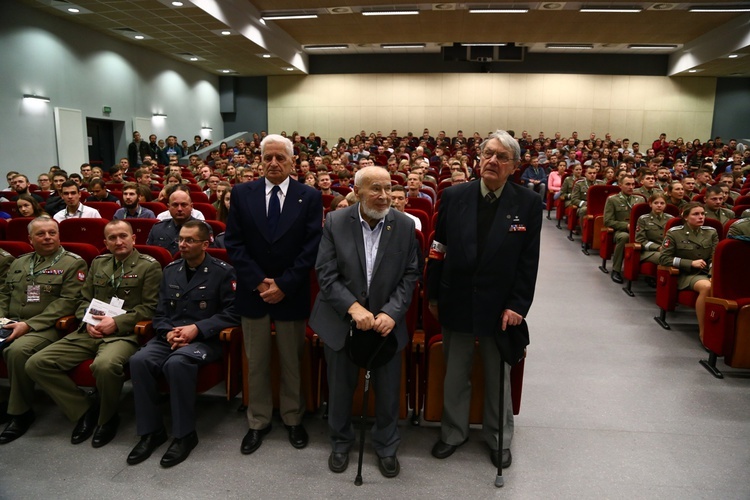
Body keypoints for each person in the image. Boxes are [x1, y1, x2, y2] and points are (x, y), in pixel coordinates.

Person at [427, 130, 542, 470]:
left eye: (502, 157)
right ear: (478, 158)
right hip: (456, 297)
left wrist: (518, 305)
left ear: (514, 166)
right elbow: (439, 248)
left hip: (501, 305)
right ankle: (452, 432)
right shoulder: (453, 195)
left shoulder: (528, 203)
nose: (493, 161)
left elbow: (528, 261)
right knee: (456, 371)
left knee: (498, 374)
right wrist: (433, 293)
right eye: (488, 154)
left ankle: (499, 437)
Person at [309, 166, 420, 477]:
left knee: (387, 391)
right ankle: (341, 441)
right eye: (375, 189)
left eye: (387, 188)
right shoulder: (336, 221)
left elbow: (411, 274)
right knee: (341, 387)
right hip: (341, 320)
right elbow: (327, 274)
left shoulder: (403, 224)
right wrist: (353, 308)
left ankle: (386, 445)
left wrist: (392, 313)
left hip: (387, 322)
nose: (384, 195)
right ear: (357, 192)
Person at [225, 134, 323, 456]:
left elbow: (311, 247)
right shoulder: (242, 193)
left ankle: (293, 418)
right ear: (260, 160)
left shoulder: (308, 196)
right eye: (268, 157)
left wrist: (284, 284)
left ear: (292, 161)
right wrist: (259, 282)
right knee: (256, 362)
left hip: (291, 292)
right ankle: (258, 421)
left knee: (292, 360)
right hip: (254, 293)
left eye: (281, 157)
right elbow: (234, 244)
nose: (274, 163)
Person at [26, 220, 162, 447]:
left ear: (133, 238)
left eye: (123, 236)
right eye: (112, 238)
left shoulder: (149, 266)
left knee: (105, 366)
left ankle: (107, 418)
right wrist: (88, 321)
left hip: (123, 334)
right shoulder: (99, 264)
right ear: (105, 242)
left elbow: (150, 308)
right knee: (37, 363)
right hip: (89, 330)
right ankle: (84, 410)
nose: (118, 242)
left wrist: (116, 323)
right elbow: (83, 299)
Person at [126, 220, 239, 467]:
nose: (182, 245)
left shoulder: (223, 271)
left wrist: (196, 329)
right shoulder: (171, 270)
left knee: (178, 363)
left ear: (205, 244)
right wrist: (168, 332)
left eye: (189, 240)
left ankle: (184, 434)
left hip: (205, 339)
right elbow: (160, 312)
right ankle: (151, 432)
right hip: (171, 335)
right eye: (180, 240)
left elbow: (233, 313)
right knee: (139, 360)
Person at [0, 217, 87, 443]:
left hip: (47, 326)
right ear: (30, 239)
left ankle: (20, 413)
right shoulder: (20, 262)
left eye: (52, 233)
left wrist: (29, 325)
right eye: (41, 234)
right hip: (12, 321)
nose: (47, 237)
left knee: (16, 351)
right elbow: (5, 294)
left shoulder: (72, 263)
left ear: (59, 236)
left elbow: (68, 302)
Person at [660, 203, 719, 340]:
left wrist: (712, 275)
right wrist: (690, 263)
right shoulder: (675, 233)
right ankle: (704, 332)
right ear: (685, 217)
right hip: (686, 274)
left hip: (706, 273)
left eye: (702, 214)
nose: (701, 217)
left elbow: (715, 257)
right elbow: (664, 259)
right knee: (707, 287)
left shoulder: (711, 232)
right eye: (695, 214)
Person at [603, 174, 645, 284]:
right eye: (628, 184)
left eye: (633, 184)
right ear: (620, 185)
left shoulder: (640, 199)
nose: (631, 187)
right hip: (620, 231)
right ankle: (616, 270)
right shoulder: (613, 200)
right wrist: (625, 226)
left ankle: (647, 274)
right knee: (624, 237)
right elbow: (607, 221)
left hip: (638, 230)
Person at [147, 188, 199, 255]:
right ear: (168, 207)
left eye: (184, 205)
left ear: (191, 206)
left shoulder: (202, 228)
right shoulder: (158, 228)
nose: (179, 209)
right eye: (175, 205)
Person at [635, 193, 673, 265]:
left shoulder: (671, 218)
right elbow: (640, 240)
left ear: (665, 205)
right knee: (665, 258)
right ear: (650, 204)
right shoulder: (643, 219)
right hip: (650, 252)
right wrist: (658, 248)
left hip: (667, 250)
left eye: (662, 203)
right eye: (656, 203)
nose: (659, 205)